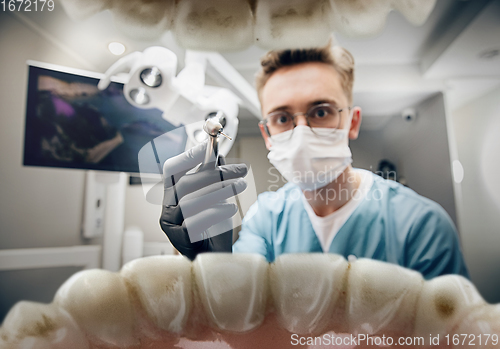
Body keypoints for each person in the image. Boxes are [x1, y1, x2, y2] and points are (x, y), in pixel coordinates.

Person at [159, 43, 469, 280]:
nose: (302, 133)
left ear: (352, 122)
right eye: (282, 118)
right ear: (267, 134)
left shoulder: (421, 225)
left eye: (320, 112)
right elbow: (240, 315)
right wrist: (208, 269)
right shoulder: (266, 219)